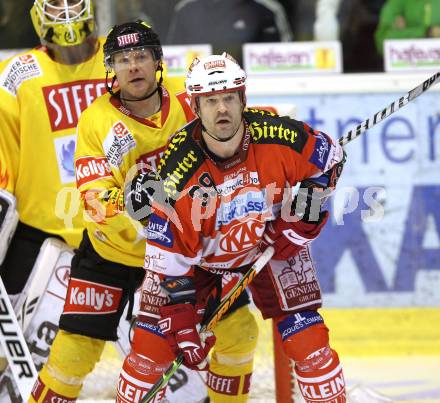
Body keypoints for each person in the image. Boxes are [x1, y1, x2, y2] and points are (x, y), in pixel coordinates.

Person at [31, 21, 256, 403]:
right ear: (112, 69)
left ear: (157, 63)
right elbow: (93, 198)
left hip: (183, 252)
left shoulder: (189, 103)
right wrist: (131, 202)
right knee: (72, 354)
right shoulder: (97, 120)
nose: (132, 66)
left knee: (240, 331)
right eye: (122, 59)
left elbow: (234, 150)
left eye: (140, 57)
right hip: (113, 253)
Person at [121, 52, 348, 403]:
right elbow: (168, 261)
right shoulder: (178, 174)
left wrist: (301, 219)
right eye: (211, 101)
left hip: (270, 242)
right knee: (147, 358)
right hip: (197, 261)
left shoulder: (279, 134)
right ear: (196, 107)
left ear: (243, 99)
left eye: (229, 97)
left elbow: (330, 161)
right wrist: (181, 318)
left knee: (310, 345)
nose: (221, 109)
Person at [167, 0, 292, 64]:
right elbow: (174, 61)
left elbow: (284, 62)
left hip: (252, 93)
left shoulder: (266, 9)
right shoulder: (186, 10)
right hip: (198, 92)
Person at [375, 0, 440, 55]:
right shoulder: (398, 2)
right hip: (406, 64)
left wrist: (405, 32)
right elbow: (382, 41)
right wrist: (426, 32)